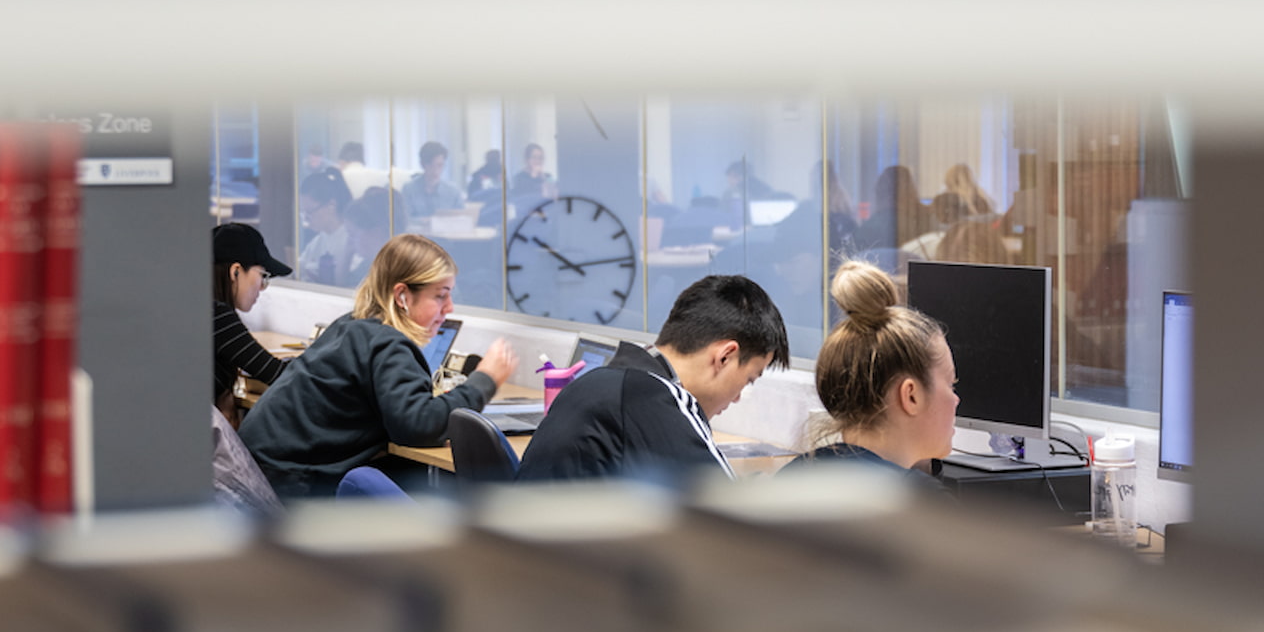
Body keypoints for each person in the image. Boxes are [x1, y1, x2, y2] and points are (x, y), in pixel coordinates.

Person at [239, 235, 520, 497]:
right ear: (402, 296)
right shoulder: (388, 343)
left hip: (260, 472)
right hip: (291, 484)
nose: (449, 308)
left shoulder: (353, 325)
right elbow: (418, 425)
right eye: (440, 295)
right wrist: (485, 378)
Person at [516, 275, 790, 484]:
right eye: (749, 379)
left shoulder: (600, 383)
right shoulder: (655, 397)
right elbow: (728, 518)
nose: (739, 396)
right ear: (725, 357)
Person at [789, 260, 957, 480]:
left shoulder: (793, 474)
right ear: (911, 395)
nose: (956, 400)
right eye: (951, 384)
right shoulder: (921, 503)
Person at [212, 224, 292, 425]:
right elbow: (278, 375)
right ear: (236, 272)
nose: (263, 288)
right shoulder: (216, 315)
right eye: (263, 276)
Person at [297, 170, 354, 285]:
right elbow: (299, 268)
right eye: (303, 213)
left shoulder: (351, 239)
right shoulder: (319, 240)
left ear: (331, 205)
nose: (306, 220)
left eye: (309, 212)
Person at [398, 140, 463, 220]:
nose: (436, 171)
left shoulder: (453, 191)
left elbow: (462, 219)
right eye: (431, 165)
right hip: (417, 232)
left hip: (446, 232)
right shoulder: (408, 189)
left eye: (440, 165)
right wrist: (425, 221)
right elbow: (404, 219)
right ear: (422, 164)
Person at [509, 143, 553, 207]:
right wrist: (533, 177)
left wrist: (543, 178)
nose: (538, 161)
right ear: (527, 159)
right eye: (534, 157)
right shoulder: (519, 178)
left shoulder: (548, 176)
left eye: (540, 158)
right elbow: (522, 201)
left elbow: (554, 196)